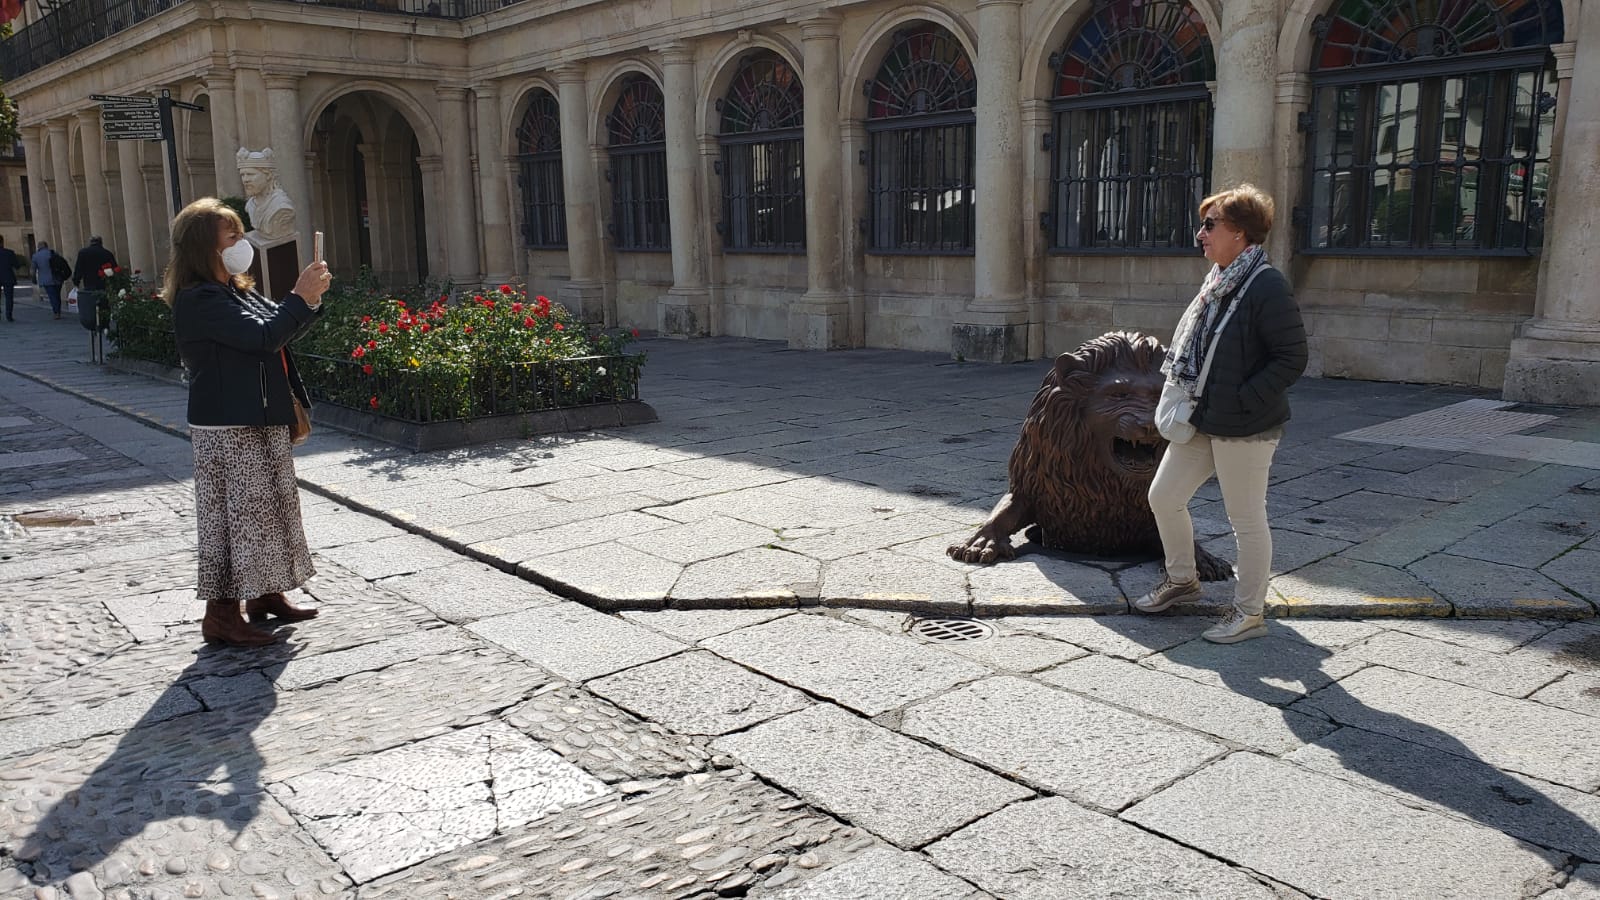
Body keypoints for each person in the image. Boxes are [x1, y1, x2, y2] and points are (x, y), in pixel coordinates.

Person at [1135, 184, 1308, 644]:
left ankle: (1249, 612)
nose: (1201, 233)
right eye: (1203, 224)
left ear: (1241, 232)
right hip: (1202, 418)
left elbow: (1292, 357)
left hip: (1246, 426)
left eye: (1210, 224)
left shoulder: (1266, 285)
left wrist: (1243, 398)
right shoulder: (1218, 280)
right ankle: (1182, 582)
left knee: (1246, 519)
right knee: (1163, 495)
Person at [165, 197, 332, 647]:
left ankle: (264, 595)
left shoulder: (234, 289)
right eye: (232, 235)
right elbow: (261, 337)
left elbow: (278, 328)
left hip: (256, 415)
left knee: (267, 511)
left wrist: (309, 302)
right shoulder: (200, 299)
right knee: (234, 518)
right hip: (229, 426)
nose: (241, 242)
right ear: (205, 247)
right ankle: (221, 616)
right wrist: (299, 296)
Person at [72, 236, 119, 331]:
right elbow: (114, 268)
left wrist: (76, 281)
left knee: (90, 303)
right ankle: (105, 323)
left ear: (90, 242)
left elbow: (79, 269)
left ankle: (93, 322)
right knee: (104, 304)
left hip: (89, 283)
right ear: (101, 242)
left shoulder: (83, 253)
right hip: (103, 283)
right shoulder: (107, 253)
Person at [31, 240, 67, 319]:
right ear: (46, 246)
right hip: (58, 278)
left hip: (46, 280)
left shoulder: (36, 256)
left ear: (39, 247)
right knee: (57, 295)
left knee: (52, 296)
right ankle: (58, 311)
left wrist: (33, 278)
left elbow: (33, 269)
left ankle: (56, 312)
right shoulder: (53, 253)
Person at [0, 237, 18, 322]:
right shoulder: (9, 252)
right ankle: (9, 315)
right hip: (8, 277)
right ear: (2, 242)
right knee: (9, 297)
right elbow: (16, 265)